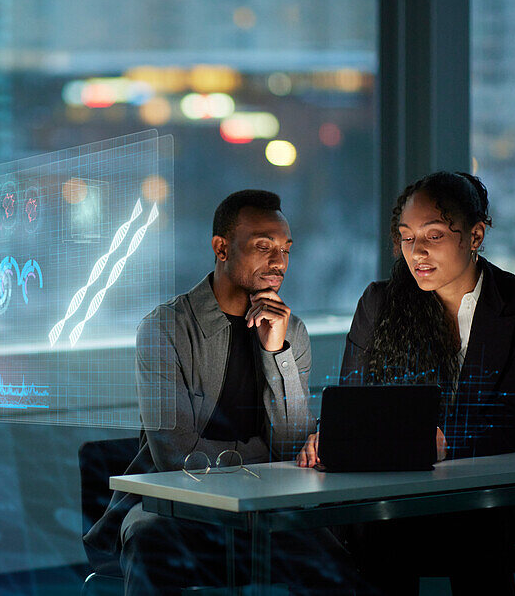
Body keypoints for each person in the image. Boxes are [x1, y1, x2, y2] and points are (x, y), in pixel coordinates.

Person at [85, 190, 360, 595]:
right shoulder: (165, 329)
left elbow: (293, 446)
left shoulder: (292, 333)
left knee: (337, 558)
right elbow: (176, 457)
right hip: (176, 510)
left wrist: (276, 353)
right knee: (151, 542)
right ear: (221, 248)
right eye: (263, 247)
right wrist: (264, 454)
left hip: (265, 511)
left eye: (285, 249)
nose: (279, 261)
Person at [297, 171, 515, 595]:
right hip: (391, 502)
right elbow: (354, 403)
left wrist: (442, 441)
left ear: (475, 235)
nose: (416, 252)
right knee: (379, 541)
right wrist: (331, 436)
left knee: (476, 543)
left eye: (433, 236)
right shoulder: (380, 302)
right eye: (406, 237)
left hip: (481, 502)